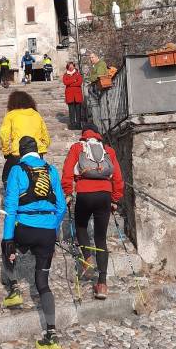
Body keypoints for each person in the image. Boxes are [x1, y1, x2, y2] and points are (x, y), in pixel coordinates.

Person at [1, 136, 66, 349]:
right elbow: (62, 207)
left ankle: (14, 289)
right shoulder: (51, 170)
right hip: (47, 231)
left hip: (25, 228)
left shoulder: (17, 170)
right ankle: (52, 336)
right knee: (42, 283)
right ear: (38, 151)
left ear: (21, 152)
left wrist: (8, 239)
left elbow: (10, 206)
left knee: (8, 249)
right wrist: (53, 228)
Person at [62, 125, 124, 301]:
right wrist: (115, 199)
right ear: (98, 135)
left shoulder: (77, 148)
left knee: (81, 226)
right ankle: (102, 284)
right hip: (104, 194)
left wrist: (68, 192)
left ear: (84, 135)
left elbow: (67, 172)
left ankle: (88, 259)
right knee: (101, 238)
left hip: (84, 193)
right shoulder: (108, 150)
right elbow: (118, 177)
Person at [0, 90, 50, 184]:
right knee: (37, 180)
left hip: (18, 151)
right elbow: (45, 135)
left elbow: (4, 135)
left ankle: (13, 196)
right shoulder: (36, 114)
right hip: (37, 152)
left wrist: (6, 151)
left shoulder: (11, 115)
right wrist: (43, 146)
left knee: (7, 177)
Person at [62, 61, 84, 130]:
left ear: (74, 66)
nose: (71, 67)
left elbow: (79, 82)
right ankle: (72, 125)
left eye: (72, 66)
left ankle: (78, 125)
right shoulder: (65, 75)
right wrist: (74, 80)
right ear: (67, 67)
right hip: (69, 95)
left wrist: (70, 83)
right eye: (69, 66)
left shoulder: (78, 74)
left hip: (77, 95)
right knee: (71, 111)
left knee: (78, 111)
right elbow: (65, 82)